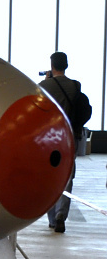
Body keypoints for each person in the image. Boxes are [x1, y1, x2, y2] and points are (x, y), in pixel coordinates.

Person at [39, 51, 88, 233]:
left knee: (49, 176)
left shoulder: (44, 86)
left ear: (52, 66)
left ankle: (52, 219)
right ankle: (61, 215)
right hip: (71, 137)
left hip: (50, 138)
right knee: (67, 176)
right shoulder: (75, 86)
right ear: (66, 65)